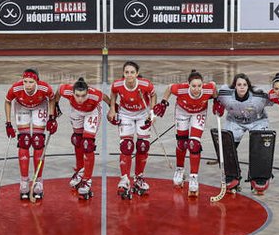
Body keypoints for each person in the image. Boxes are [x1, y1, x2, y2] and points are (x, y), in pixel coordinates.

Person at [151, 70, 216, 197]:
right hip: (182, 111)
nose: (196, 89)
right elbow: (169, 88)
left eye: (199, 86)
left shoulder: (208, 89)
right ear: (188, 84)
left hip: (199, 112)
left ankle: (193, 177)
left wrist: (216, 99)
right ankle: (179, 169)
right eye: (193, 86)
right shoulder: (181, 89)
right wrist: (164, 102)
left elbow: (214, 87)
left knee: (194, 144)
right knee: (182, 142)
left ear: (202, 85)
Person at [3, 69, 56, 202]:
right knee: (24, 141)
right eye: (25, 81)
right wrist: (8, 123)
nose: (27, 85)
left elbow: (52, 99)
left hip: (40, 106)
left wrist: (51, 117)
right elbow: (8, 101)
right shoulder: (16, 88)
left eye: (31, 82)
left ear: (37, 81)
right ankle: (24, 181)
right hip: (22, 107)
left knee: (38, 141)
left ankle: (38, 181)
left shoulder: (45, 88)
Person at [108, 61, 158, 200]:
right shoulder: (117, 84)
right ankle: (124, 179)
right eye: (126, 72)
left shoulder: (145, 85)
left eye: (132, 72)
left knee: (143, 146)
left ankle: (139, 178)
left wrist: (152, 112)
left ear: (137, 74)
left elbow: (153, 95)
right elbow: (113, 93)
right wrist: (112, 108)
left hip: (143, 113)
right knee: (126, 146)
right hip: (125, 114)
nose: (129, 75)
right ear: (123, 73)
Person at [55, 78, 107, 200]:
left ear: (88, 92)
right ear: (72, 93)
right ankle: (80, 170)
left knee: (87, 144)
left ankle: (87, 180)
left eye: (83, 95)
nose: (80, 98)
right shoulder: (66, 90)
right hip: (76, 111)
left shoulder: (95, 95)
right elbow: (58, 90)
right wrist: (56, 105)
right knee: (77, 140)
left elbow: (105, 97)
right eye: (77, 95)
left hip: (92, 112)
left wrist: (113, 109)